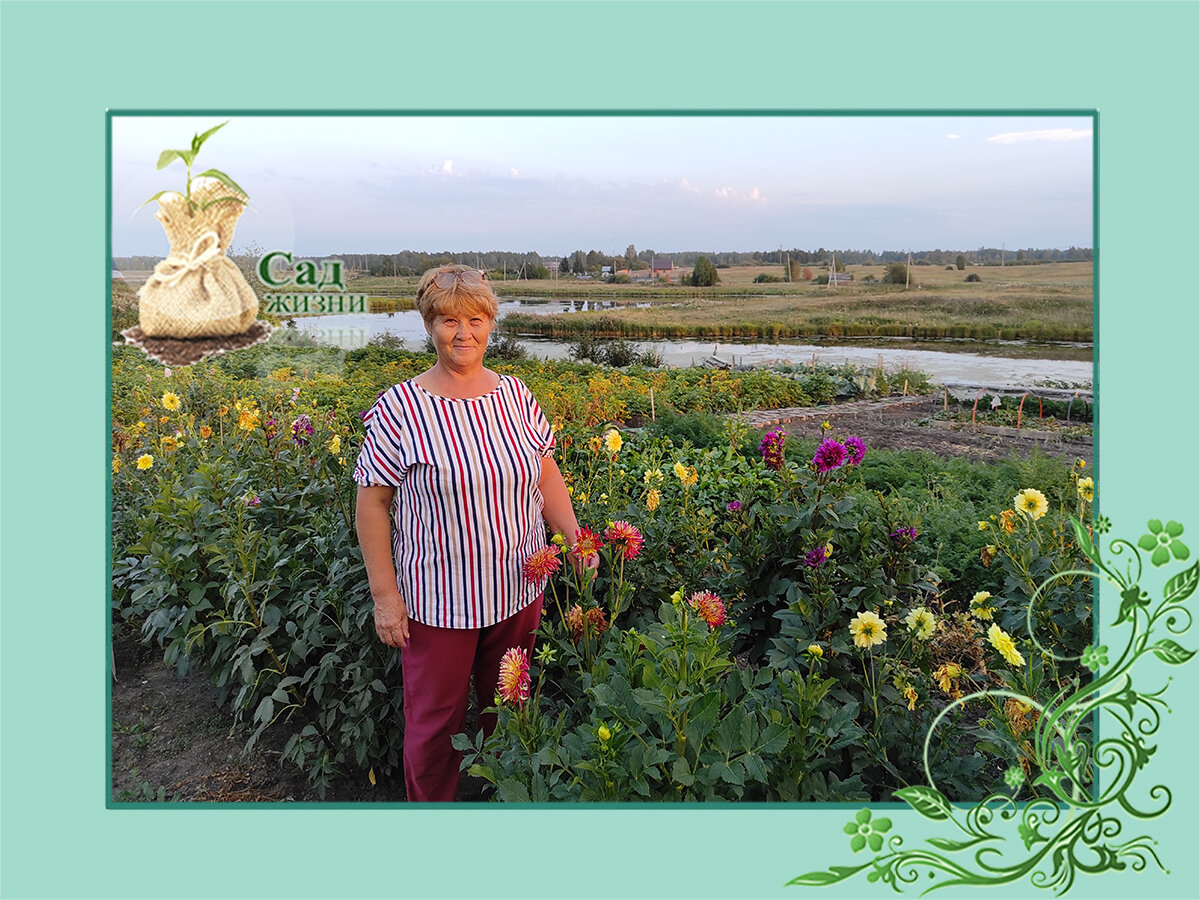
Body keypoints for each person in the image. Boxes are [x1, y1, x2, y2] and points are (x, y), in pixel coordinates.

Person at [353, 264, 594, 802]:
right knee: (435, 724)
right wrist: (385, 597)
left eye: (477, 318)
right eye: (448, 320)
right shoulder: (401, 408)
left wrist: (575, 537)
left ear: (492, 322)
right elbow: (372, 505)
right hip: (438, 603)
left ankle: (499, 804)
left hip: (516, 589)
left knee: (508, 710)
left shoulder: (515, 395)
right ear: (429, 325)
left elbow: (546, 471)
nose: (464, 333)